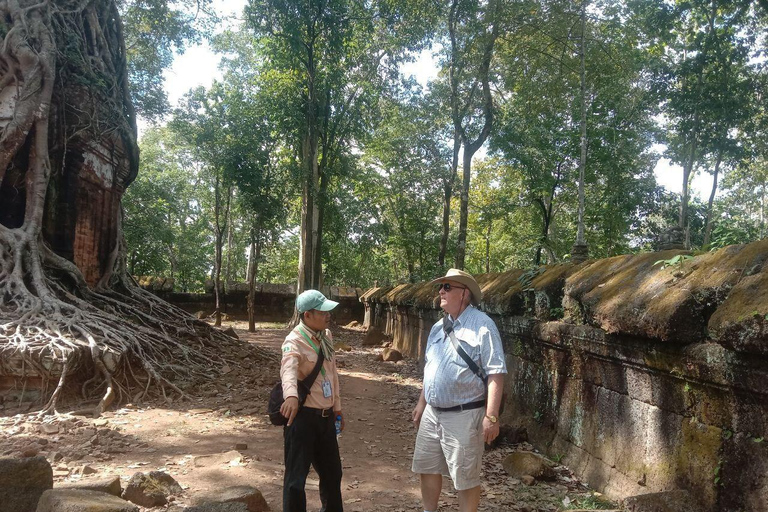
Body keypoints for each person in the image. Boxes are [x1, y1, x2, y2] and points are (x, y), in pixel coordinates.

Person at [411, 268, 507, 512]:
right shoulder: (437, 327)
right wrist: (422, 403)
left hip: (464, 415)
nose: (440, 292)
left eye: (447, 287)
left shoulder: (483, 326)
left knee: (465, 479)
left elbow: (496, 372)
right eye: (440, 287)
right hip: (433, 413)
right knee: (427, 467)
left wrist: (491, 416)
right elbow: (431, 368)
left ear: (464, 293)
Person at [279, 289, 344, 512]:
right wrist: (291, 396)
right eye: (322, 311)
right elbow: (288, 370)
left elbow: (332, 373)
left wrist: (337, 408)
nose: (328, 315)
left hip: (325, 419)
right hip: (303, 419)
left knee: (333, 474)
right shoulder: (294, 341)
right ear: (307, 315)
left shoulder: (326, 336)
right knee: (296, 480)